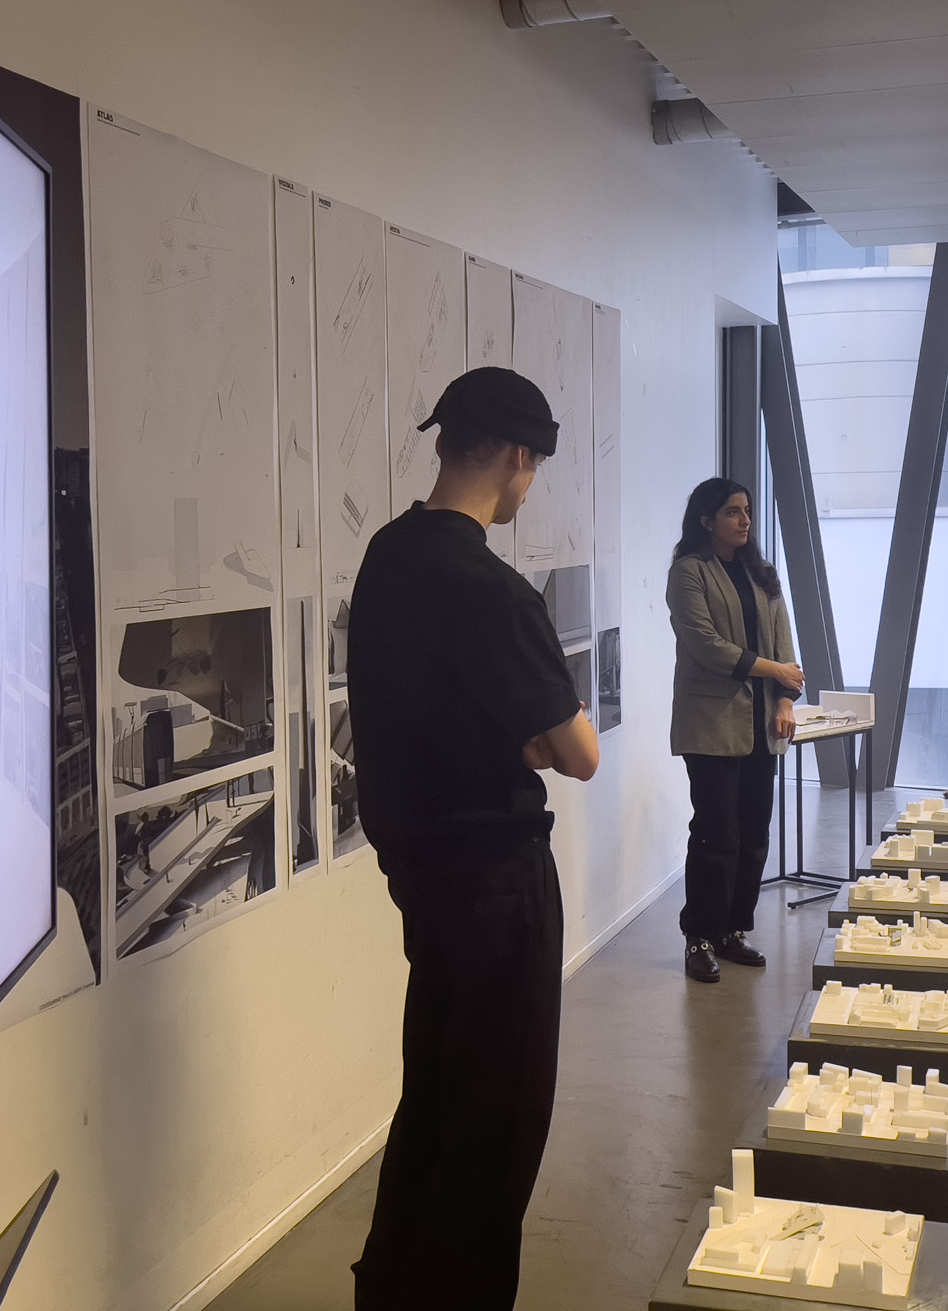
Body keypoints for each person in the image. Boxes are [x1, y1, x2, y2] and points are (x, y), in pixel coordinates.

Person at [347, 366, 600, 1311]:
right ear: (519, 457)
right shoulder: (494, 590)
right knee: (495, 1133)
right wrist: (531, 735)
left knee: (434, 1103)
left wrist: (524, 732)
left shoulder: (387, 558)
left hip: (423, 883)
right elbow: (579, 753)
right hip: (499, 888)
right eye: (535, 470)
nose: (531, 487)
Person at [666, 479, 804, 983]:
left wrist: (785, 697)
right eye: (732, 512)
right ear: (706, 520)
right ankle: (700, 937)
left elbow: (784, 643)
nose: (745, 520)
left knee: (753, 834)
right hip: (711, 726)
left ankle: (732, 930)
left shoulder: (761, 573)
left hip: (761, 724)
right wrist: (775, 672)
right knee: (716, 835)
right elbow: (706, 645)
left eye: (746, 511)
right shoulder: (688, 572)